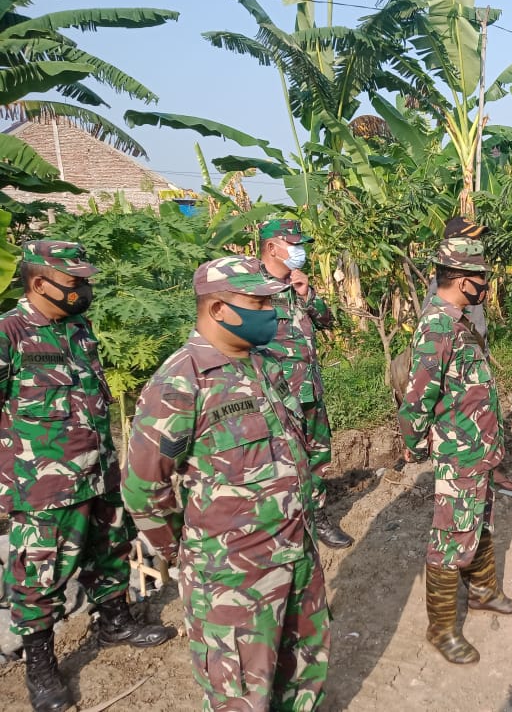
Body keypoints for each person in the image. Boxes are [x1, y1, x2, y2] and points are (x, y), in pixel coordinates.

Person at [123, 256, 330, 710]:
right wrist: (183, 549)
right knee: (242, 698)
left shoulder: (266, 366)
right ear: (217, 309)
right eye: (256, 302)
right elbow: (142, 487)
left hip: (296, 555)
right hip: (233, 577)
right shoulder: (180, 382)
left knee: (303, 680)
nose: (270, 312)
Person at [0, 241, 173, 712]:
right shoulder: (10, 333)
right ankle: (40, 666)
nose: (84, 289)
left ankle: (114, 620)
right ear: (39, 284)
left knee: (112, 549)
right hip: (43, 486)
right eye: (74, 282)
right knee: (40, 574)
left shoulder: (77, 328)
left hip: (99, 470)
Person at [398, 238, 512, 666]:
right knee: (451, 538)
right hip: (458, 451)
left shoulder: (457, 319)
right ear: (465, 281)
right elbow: (418, 396)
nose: (486, 285)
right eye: (483, 278)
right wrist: (416, 443)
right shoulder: (437, 325)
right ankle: (442, 629)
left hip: (479, 446)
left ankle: (485, 592)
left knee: (480, 522)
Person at [258, 218, 353, 549]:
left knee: (317, 457)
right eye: (292, 244)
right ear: (272, 247)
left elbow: (327, 320)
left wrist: (308, 293)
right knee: (280, 461)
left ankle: (318, 518)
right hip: (276, 394)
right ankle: (284, 527)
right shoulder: (252, 288)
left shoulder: (296, 283)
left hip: (309, 387)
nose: (299, 251)